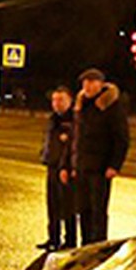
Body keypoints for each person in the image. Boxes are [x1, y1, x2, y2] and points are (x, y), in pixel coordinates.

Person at [70, 67, 129, 244]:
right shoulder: (82, 106)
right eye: (85, 83)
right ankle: (86, 245)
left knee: (98, 211)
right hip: (82, 166)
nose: (87, 86)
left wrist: (114, 166)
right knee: (83, 209)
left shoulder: (111, 106)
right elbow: (77, 138)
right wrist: (74, 164)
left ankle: (99, 246)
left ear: (100, 84)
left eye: (91, 82)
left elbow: (121, 139)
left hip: (101, 167)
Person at [38, 84, 76, 250]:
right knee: (52, 205)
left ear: (70, 100)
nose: (57, 103)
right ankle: (53, 238)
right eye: (54, 100)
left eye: (61, 100)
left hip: (65, 169)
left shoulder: (73, 120)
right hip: (52, 166)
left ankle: (70, 241)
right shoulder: (53, 119)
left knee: (67, 207)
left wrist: (67, 167)